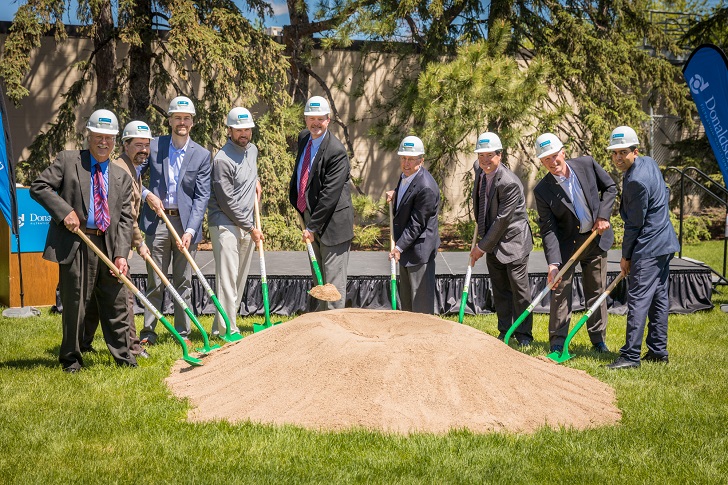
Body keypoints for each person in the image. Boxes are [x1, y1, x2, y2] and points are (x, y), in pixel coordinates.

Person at [30, 109, 137, 373]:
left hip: (109, 246)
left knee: (117, 302)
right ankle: (72, 359)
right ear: (88, 135)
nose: (104, 142)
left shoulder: (121, 176)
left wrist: (121, 254)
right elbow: (39, 186)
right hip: (76, 244)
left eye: (109, 138)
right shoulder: (69, 161)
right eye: (99, 136)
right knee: (76, 304)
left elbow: (124, 219)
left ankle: (124, 357)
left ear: (115, 140)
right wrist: (64, 211)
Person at [533, 132, 616, 354]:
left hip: (595, 238)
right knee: (560, 290)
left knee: (596, 290)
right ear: (541, 162)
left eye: (554, 156)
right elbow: (548, 228)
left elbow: (610, 188)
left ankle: (598, 340)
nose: (552, 163)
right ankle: (558, 343)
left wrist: (603, 216)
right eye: (545, 159)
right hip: (567, 245)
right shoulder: (542, 190)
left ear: (563, 152)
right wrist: (553, 264)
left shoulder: (586, 164)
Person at [605, 126, 680, 370]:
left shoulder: (636, 180)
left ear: (635, 151)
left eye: (623, 152)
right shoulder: (648, 162)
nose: (618, 158)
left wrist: (626, 257)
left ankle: (630, 356)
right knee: (658, 297)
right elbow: (664, 193)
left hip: (649, 246)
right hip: (665, 242)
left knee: (637, 300)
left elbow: (634, 225)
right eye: (614, 153)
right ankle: (658, 351)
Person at [139, 96, 211, 345]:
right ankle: (148, 332)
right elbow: (133, 173)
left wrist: (191, 229)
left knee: (183, 281)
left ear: (192, 122)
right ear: (169, 120)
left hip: (184, 225)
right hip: (157, 221)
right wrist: (146, 195)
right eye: (178, 117)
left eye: (186, 118)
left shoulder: (201, 155)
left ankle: (182, 332)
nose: (182, 122)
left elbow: (202, 195)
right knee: (155, 280)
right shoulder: (155, 146)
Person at [80, 121, 154, 359]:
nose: (143, 150)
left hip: (111, 242)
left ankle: (82, 341)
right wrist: (139, 242)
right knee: (125, 299)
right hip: (114, 244)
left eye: (146, 145)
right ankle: (131, 346)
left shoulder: (133, 169)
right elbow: (127, 216)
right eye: (138, 145)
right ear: (125, 144)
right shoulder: (121, 169)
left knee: (94, 295)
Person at [288, 95, 354, 310]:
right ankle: (319, 330)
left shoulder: (336, 152)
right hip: (311, 217)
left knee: (332, 285)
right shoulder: (304, 137)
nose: (315, 123)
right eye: (311, 118)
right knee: (319, 281)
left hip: (332, 224)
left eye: (321, 119)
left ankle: (335, 332)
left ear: (329, 120)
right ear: (305, 119)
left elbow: (330, 195)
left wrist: (312, 226)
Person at [468, 132, 533, 345]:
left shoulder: (509, 183)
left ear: (500, 155)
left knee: (519, 290)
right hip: (491, 240)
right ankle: (505, 331)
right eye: (481, 156)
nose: (485, 161)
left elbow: (502, 220)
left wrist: (481, 248)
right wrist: (483, 239)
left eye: (490, 156)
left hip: (513, 241)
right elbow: (481, 205)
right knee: (500, 290)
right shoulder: (480, 172)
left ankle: (524, 335)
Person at [208, 107, 264, 335]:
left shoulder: (252, 150)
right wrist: (250, 227)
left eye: (247, 129)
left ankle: (219, 327)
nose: (244, 133)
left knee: (238, 279)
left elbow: (249, 173)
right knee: (227, 280)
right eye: (239, 129)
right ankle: (227, 329)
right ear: (229, 130)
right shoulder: (222, 160)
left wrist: (256, 181)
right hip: (226, 223)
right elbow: (226, 201)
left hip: (247, 222)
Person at [386, 136, 440, 314]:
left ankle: (424, 339)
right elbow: (409, 196)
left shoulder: (426, 186)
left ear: (421, 160)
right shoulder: (406, 177)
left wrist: (398, 247)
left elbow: (417, 224)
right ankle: (408, 338)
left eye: (410, 159)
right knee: (407, 305)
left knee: (420, 304)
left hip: (419, 251)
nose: (406, 163)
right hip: (406, 248)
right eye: (403, 158)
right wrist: (396, 194)